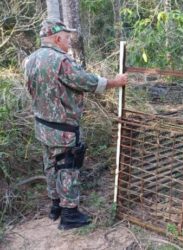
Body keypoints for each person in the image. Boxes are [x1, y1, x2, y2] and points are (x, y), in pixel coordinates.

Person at [23, 18, 128, 230]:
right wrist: (116, 82)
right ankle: (69, 214)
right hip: (63, 128)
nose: (70, 41)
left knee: (50, 165)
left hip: (43, 125)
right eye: (67, 37)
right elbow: (87, 81)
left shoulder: (30, 60)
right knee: (67, 167)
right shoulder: (61, 61)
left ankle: (56, 207)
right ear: (57, 38)